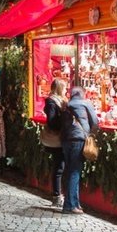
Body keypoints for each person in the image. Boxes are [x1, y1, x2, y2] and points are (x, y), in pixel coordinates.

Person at [60, 86, 98, 215]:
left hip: (65, 140)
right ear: (82, 94)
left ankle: (75, 203)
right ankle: (69, 205)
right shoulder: (85, 103)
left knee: (70, 170)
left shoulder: (66, 104)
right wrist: (92, 135)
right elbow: (95, 122)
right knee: (75, 171)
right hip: (78, 139)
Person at [43, 79, 68, 208]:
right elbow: (52, 122)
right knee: (59, 167)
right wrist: (64, 121)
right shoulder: (52, 102)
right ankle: (57, 196)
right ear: (59, 88)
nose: (66, 91)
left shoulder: (58, 100)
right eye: (64, 88)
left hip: (61, 138)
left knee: (60, 167)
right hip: (57, 139)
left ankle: (59, 194)